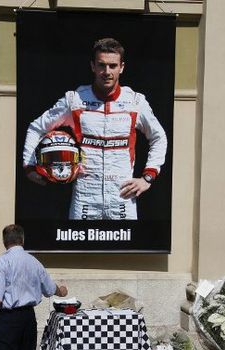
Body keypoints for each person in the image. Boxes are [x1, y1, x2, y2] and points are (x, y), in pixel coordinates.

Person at [22, 37, 167, 220]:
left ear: (122, 67)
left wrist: (148, 177)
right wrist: (29, 166)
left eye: (113, 66)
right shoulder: (74, 100)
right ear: (93, 66)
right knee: (80, 249)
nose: (107, 72)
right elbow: (36, 128)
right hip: (85, 197)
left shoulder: (135, 102)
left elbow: (158, 137)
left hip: (122, 196)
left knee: (126, 250)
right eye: (101, 65)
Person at [0, 224, 68, 350]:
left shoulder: (1, 262)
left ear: (4, 242)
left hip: (9, 319)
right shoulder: (34, 261)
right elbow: (50, 288)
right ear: (22, 240)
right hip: (28, 318)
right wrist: (62, 291)